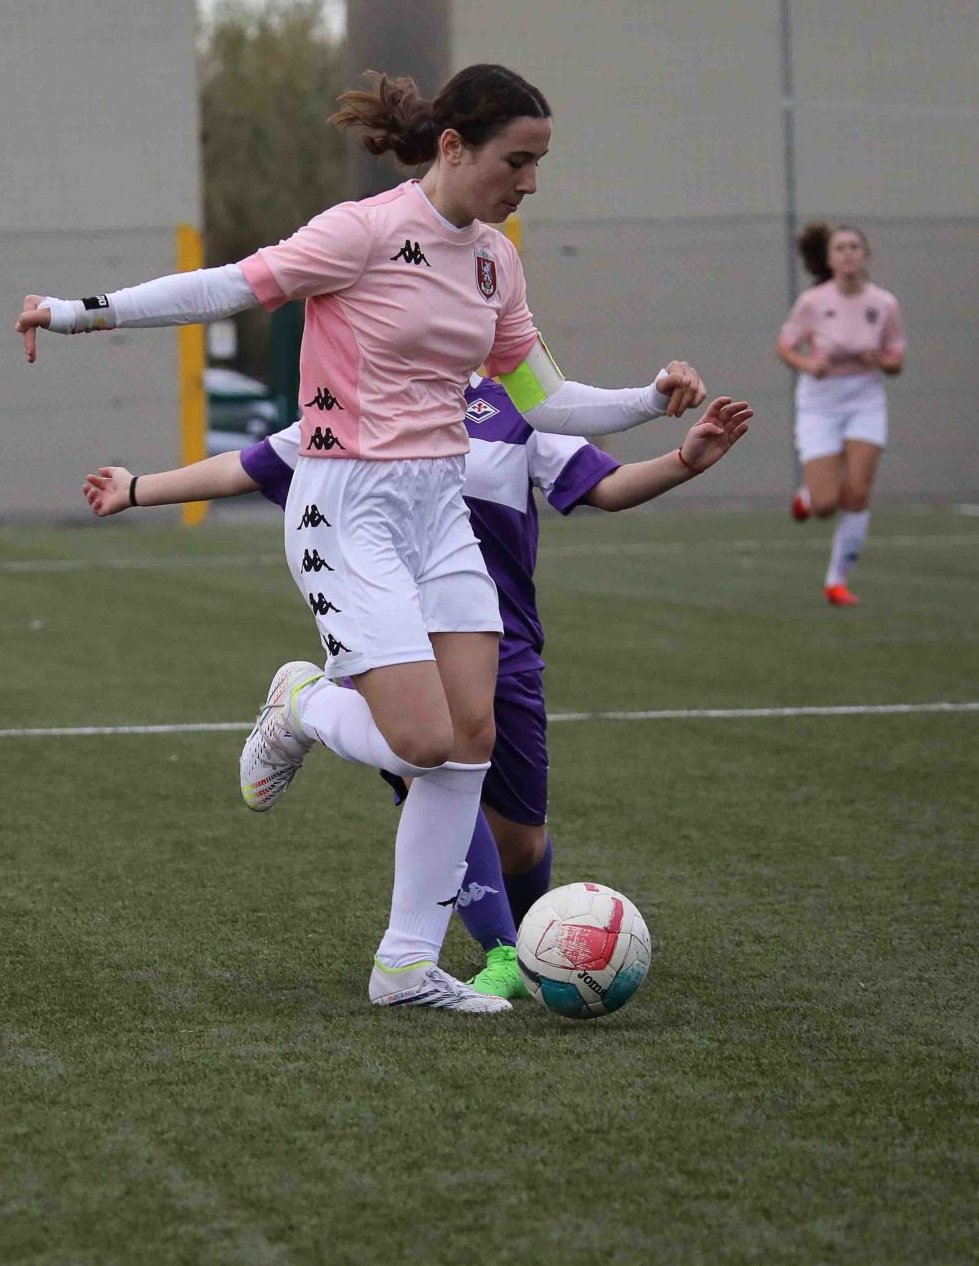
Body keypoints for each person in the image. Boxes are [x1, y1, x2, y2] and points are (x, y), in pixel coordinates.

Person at [19, 64, 702, 1013]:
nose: (531, 182)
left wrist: (649, 400)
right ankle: (302, 704)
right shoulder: (364, 231)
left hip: (440, 511)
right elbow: (225, 288)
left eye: (540, 162)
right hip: (348, 506)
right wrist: (76, 312)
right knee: (420, 739)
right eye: (517, 160)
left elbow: (545, 397)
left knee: (469, 738)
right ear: (453, 146)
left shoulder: (495, 262)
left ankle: (405, 968)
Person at [85, 384, 753, 998]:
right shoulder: (361, 403)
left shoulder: (519, 410)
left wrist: (685, 461)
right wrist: (137, 488)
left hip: (504, 642)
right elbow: (249, 465)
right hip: (393, 637)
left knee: (521, 842)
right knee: (427, 763)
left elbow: (603, 485)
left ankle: (538, 949)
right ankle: (500, 952)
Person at [774, 222, 905, 607]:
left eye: (854, 247)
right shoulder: (813, 302)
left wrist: (879, 359)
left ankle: (837, 581)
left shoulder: (884, 304)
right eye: (840, 248)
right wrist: (807, 364)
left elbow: (897, 360)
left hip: (865, 400)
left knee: (858, 492)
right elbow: (785, 346)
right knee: (826, 504)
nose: (848, 254)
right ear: (829, 260)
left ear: (866, 255)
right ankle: (808, 497)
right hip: (820, 403)